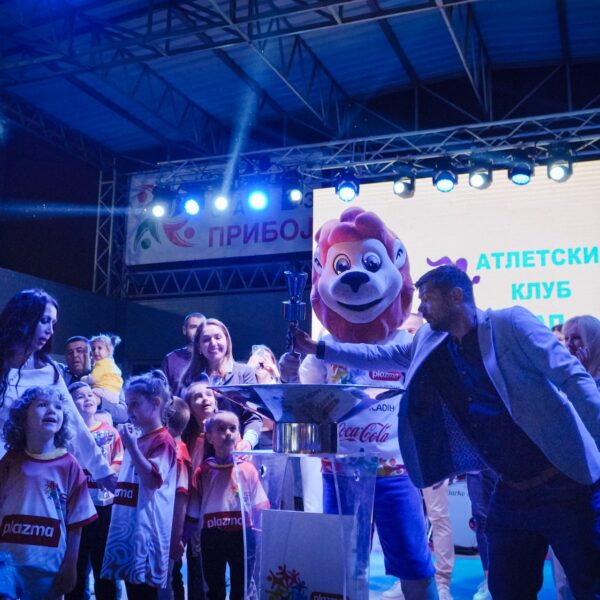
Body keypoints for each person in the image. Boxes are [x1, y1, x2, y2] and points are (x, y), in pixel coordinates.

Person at [292, 265, 600, 600]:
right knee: (507, 589)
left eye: (427, 299)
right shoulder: (429, 339)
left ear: (456, 296)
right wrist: (318, 349)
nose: (421, 308)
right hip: (512, 489)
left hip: (566, 483)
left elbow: (572, 377)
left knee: (589, 585)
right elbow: (382, 355)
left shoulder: (510, 323)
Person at [0, 289, 115, 487]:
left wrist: (101, 470)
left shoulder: (48, 370)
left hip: (29, 474)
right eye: (44, 321)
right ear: (23, 318)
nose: (50, 331)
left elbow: (75, 423)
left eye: (53, 324)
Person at [0, 386, 98, 599]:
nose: (52, 410)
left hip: (49, 566)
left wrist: (71, 564)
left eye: (58, 407)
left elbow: (77, 524)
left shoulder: (69, 465)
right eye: (43, 405)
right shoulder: (10, 461)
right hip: (7, 564)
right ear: (22, 417)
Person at [101, 371, 177, 599]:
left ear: (156, 403)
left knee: (144, 593)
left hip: (146, 531)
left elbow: (152, 481)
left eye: (135, 403)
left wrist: (132, 447)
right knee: (133, 591)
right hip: (129, 527)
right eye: (127, 404)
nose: (129, 410)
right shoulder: (138, 437)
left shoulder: (163, 440)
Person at [184, 411, 269, 600]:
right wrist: (184, 538)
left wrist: (262, 533)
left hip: (243, 535)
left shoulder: (247, 469)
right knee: (214, 586)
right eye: (221, 429)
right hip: (211, 535)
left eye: (232, 428)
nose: (228, 433)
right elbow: (194, 510)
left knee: (241, 586)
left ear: (239, 434)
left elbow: (260, 506)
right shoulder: (203, 471)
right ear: (210, 437)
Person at [66, 381, 123, 600]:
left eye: (90, 394)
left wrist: (108, 474)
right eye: (80, 396)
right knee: (77, 564)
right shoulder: (66, 433)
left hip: (104, 506)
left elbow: (119, 459)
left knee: (104, 566)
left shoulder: (110, 432)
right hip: (76, 509)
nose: (87, 398)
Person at [179, 318, 262, 451]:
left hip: (234, 449)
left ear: (227, 341)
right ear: (199, 346)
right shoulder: (189, 377)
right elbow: (183, 419)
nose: (213, 343)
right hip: (197, 450)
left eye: (218, 337)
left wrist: (248, 442)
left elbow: (253, 416)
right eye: (206, 340)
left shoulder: (244, 373)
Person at [181, 381, 218, 600]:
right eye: (198, 396)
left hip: (219, 511)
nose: (205, 399)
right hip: (192, 510)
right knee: (197, 565)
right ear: (189, 406)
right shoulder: (185, 438)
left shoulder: (228, 431)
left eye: (209, 394)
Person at [161, 397, 193, 600]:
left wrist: (175, 538)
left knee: (165, 583)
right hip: (164, 529)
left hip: (168, 531)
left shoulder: (177, 453)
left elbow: (180, 498)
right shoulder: (173, 448)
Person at [62, 336, 128, 425]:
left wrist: (100, 401)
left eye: (80, 351)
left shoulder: (109, 376)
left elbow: (124, 414)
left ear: (91, 354)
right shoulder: (61, 376)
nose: (75, 355)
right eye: (70, 353)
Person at [162, 313, 206, 393]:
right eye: (193, 327)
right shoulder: (171, 359)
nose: (197, 331)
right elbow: (163, 391)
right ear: (184, 330)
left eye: (201, 328)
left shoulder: (211, 357)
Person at [247, 344, 280, 450]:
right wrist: (247, 370)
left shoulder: (278, 384)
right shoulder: (247, 387)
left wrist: (276, 375)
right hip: (249, 437)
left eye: (265, 357)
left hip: (273, 437)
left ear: (273, 362)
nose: (261, 361)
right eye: (257, 357)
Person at [83, 333, 124, 397]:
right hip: (114, 395)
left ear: (108, 350)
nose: (96, 351)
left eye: (99, 348)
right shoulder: (111, 364)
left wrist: (83, 379)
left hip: (103, 391)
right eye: (93, 349)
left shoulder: (102, 363)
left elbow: (92, 379)